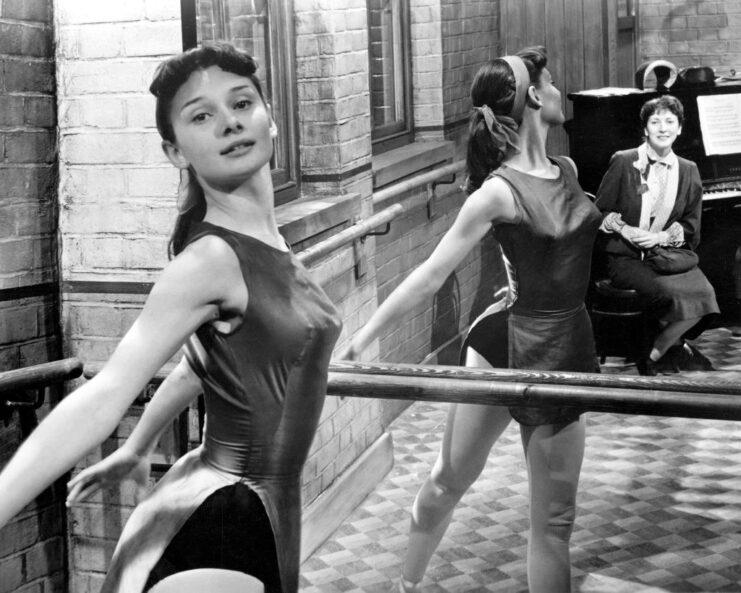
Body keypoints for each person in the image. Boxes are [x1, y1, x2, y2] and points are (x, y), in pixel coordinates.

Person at [0, 42, 342, 593]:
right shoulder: (210, 259)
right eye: (202, 116)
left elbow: (200, 368)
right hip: (225, 518)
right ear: (176, 151)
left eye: (242, 103)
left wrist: (140, 447)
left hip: (257, 501)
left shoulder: (266, 241)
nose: (229, 123)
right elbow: (107, 391)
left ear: (271, 118)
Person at [341, 47, 601, 593]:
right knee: (450, 479)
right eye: (549, 81)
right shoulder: (497, 193)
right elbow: (430, 275)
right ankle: (406, 583)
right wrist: (363, 337)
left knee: (555, 522)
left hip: (569, 344)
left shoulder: (569, 169)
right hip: (505, 343)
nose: (558, 88)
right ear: (533, 96)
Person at [594, 95, 719, 375]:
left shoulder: (688, 170)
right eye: (655, 121)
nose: (663, 128)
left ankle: (658, 349)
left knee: (706, 295)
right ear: (645, 129)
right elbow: (598, 212)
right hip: (626, 257)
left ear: (680, 129)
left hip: (666, 255)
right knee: (666, 293)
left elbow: (691, 225)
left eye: (670, 121)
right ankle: (664, 350)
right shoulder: (625, 162)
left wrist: (660, 239)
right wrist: (627, 230)